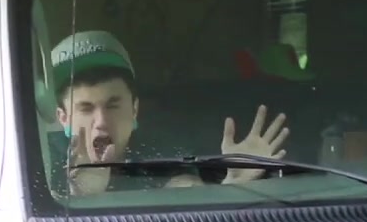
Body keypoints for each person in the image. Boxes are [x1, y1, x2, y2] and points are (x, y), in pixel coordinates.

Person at [48, 30, 291, 196]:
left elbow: (188, 201)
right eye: (86, 108)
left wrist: (232, 183)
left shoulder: (162, 154)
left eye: (113, 105)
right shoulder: (40, 164)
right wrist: (83, 196)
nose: (101, 122)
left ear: (134, 110)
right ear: (63, 118)